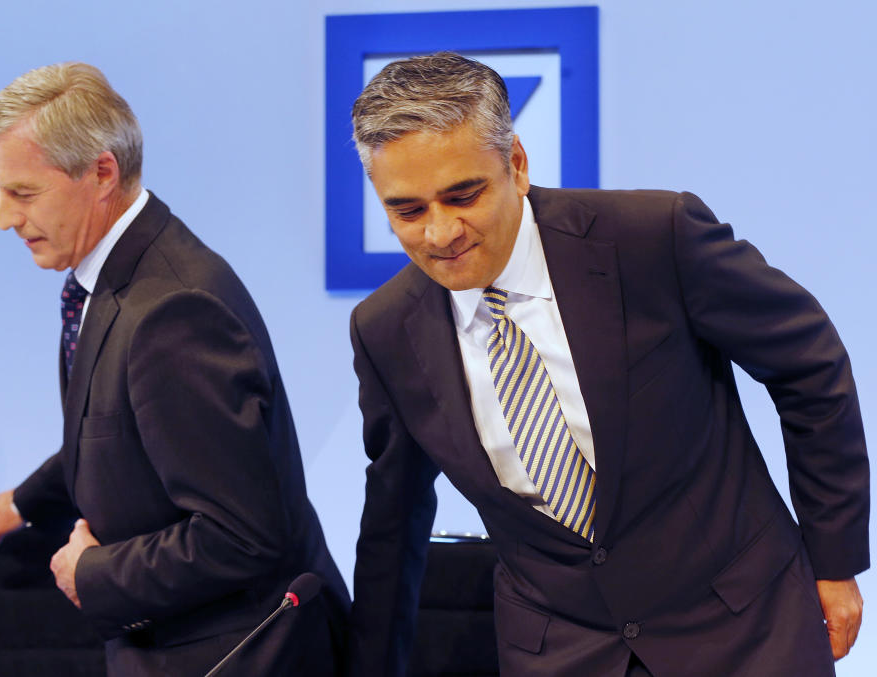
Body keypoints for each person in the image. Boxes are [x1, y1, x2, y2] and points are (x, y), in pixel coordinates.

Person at [347, 52, 868, 677]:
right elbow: (393, 517)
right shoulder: (383, 330)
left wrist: (834, 560)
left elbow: (809, 365)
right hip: (561, 654)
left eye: (463, 195)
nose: (439, 233)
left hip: (744, 629)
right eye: (408, 211)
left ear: (515, 164)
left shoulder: (655, 237)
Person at [0, 62, 348, 676]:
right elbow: (119, 430)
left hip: (237, 655)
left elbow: (243, 536)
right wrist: (30, 499)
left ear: (100, 173)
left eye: (23, 193)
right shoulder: (118, 274)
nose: (3, 219)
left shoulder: (174, 309)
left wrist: (91, 573)